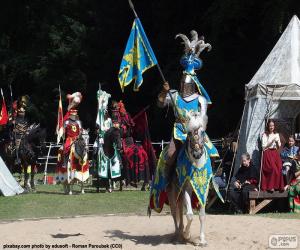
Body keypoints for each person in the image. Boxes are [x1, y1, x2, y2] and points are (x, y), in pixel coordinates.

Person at [157, 31, 218, 182]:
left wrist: (197, 130)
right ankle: (168, 179)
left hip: (196, 133)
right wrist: (164, 92)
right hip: (178, 131)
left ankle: (210, 180)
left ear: (195, 84)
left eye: (188, 83)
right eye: (183, 82)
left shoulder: (200, 99)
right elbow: (159, 104)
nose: (184, 85)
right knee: (171, 154)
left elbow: (203, 120)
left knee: (212, 154)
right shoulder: (174, 95)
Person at [261, 119, 284, 191]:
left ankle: (278, 186)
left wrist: (277, 142)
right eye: (270, 126)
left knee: (279, 168)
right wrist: (271, 141)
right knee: (273, 169)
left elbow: (279, 146)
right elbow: (264, 147)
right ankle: (271, 187)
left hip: (275, 153)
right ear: (268, 126)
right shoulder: (265, 134)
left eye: (273, 126)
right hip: (267, 152)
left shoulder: (276, 134)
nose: (271, 127)